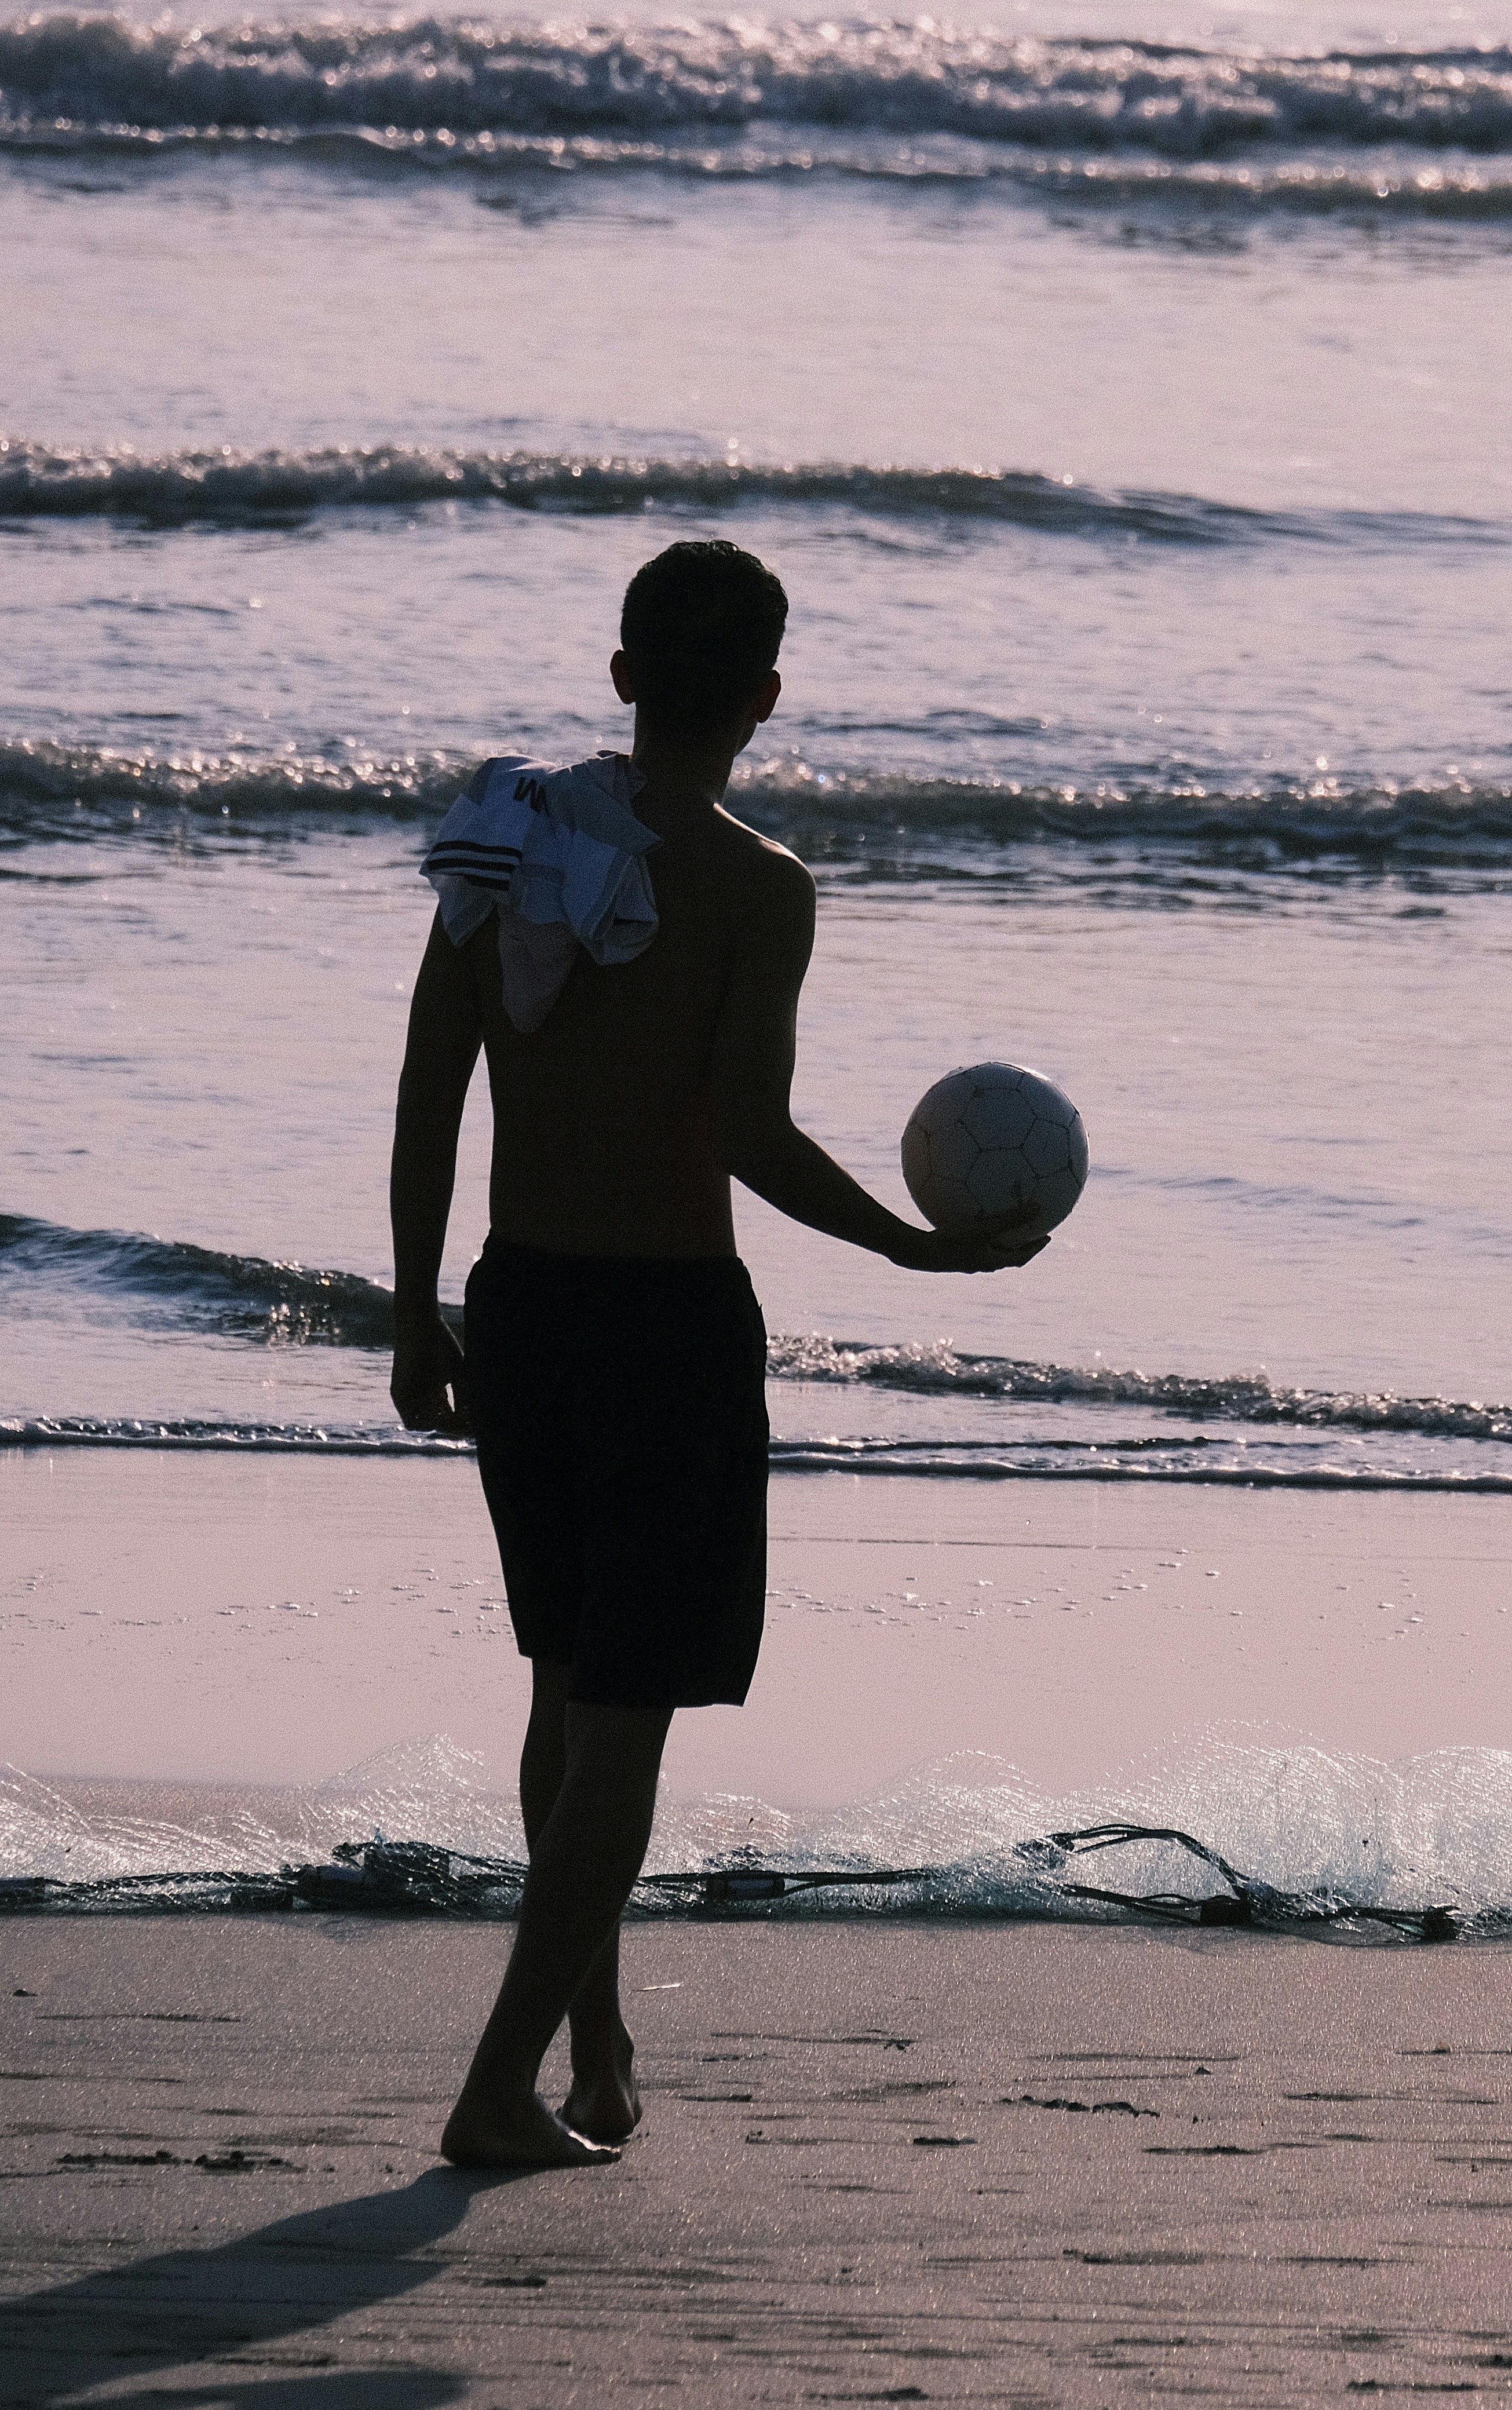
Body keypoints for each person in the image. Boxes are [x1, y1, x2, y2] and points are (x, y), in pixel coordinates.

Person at [387, 539, 1040, 2170]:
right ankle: (495, 2087)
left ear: (620, 676)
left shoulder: (507, 839)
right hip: (665, 1330)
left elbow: (428, 1092)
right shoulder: (760, 887)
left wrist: (415, 1308)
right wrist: (916, 1247)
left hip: (519, 1305)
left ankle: (595, 2050)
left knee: (566, 1691)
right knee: (623, 1723)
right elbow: (747, 1131)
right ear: (763, 695)